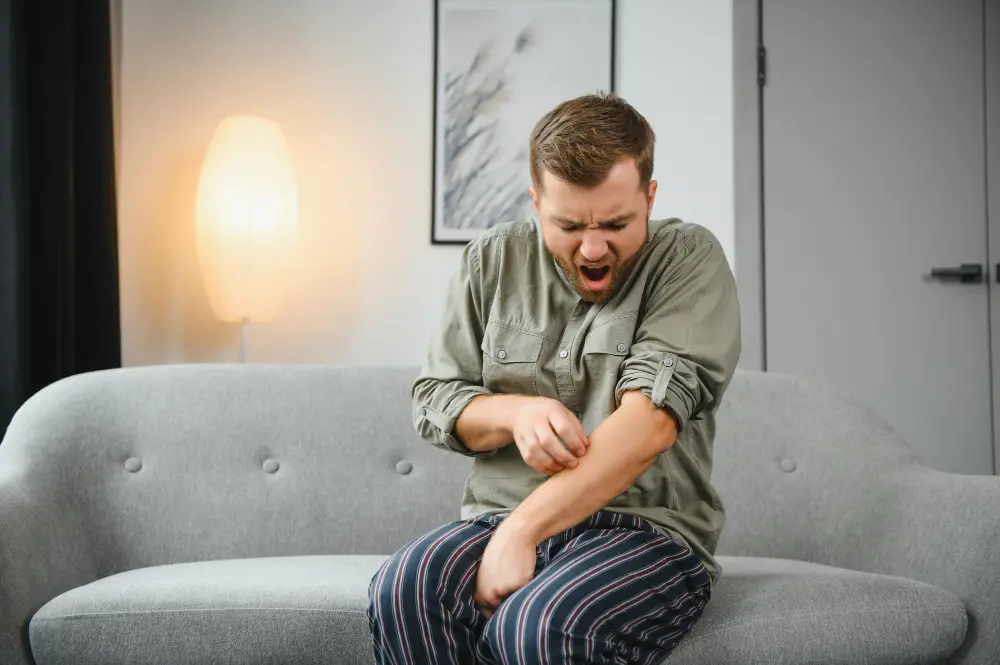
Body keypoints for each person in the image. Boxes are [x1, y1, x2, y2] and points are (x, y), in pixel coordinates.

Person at [368, 92, 742, 665]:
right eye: (569, 225)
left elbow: (649, 426)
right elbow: (436, 399)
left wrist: (521, 533)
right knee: (404, 590)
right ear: (536, 200)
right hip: (495, 515)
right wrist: (515, 413)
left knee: (537, 624)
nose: (594, 248)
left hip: (643, 533)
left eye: (617, 223)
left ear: (650, 195)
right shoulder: (489, 261)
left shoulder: (687, 258)